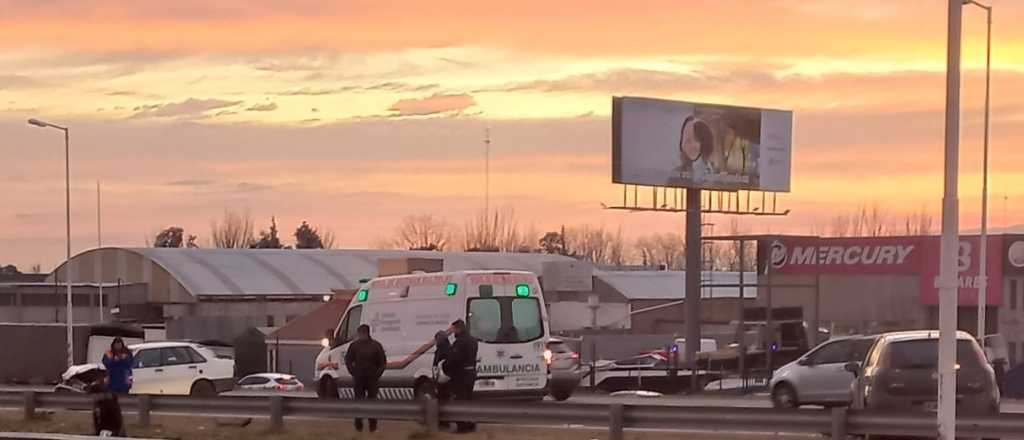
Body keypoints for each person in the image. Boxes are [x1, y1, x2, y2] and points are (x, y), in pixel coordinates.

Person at [345, 324, 387, 433]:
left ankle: (372, 426)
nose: (361, 335)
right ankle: (358, 425)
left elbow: (382, 362)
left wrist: (377, 374)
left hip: (372, 378)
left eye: (362, 333)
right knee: (358, 401)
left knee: (372, 402)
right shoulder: (354, 346)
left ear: (366, 333)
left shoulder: (376, 346)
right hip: (359, 378)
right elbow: (348, 360)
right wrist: (353, 372)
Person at [443, 319, 478, 433]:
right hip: (471, 373)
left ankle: (462, 426)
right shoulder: (473, 341)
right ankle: (470, 423)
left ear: (458, 328)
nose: (453, 332)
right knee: (468, 399)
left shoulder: (460, 342)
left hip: (461, 375)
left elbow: (454, 358)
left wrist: (445, 365)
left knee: (460, 400)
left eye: (454, 329)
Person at [674, 116, 715, 183]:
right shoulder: (675, 175)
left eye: (696, 139)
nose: (689, 145)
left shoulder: (714, 178)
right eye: (687, 139)